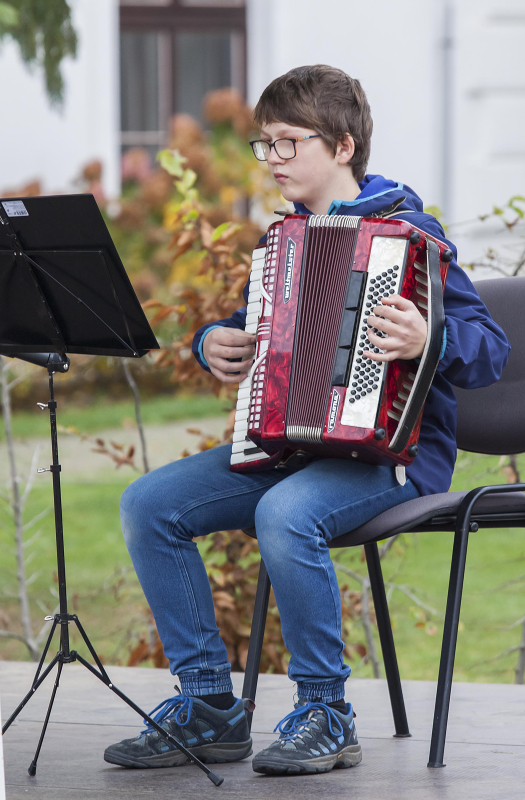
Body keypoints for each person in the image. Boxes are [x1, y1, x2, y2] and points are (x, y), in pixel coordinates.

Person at [104, 65, 510, 776]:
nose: (272, 161)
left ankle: (325, 712)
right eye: (265, 144)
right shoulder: (282, 243)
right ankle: (208, 708)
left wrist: (428, 339)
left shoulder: (411, 236)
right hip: (287, 451)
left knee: (287, 514)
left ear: (342, 146)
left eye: (289, 143)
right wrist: (214, 343)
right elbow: (251, 328)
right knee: (149, 503)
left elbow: (489, 353)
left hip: (391, 459)